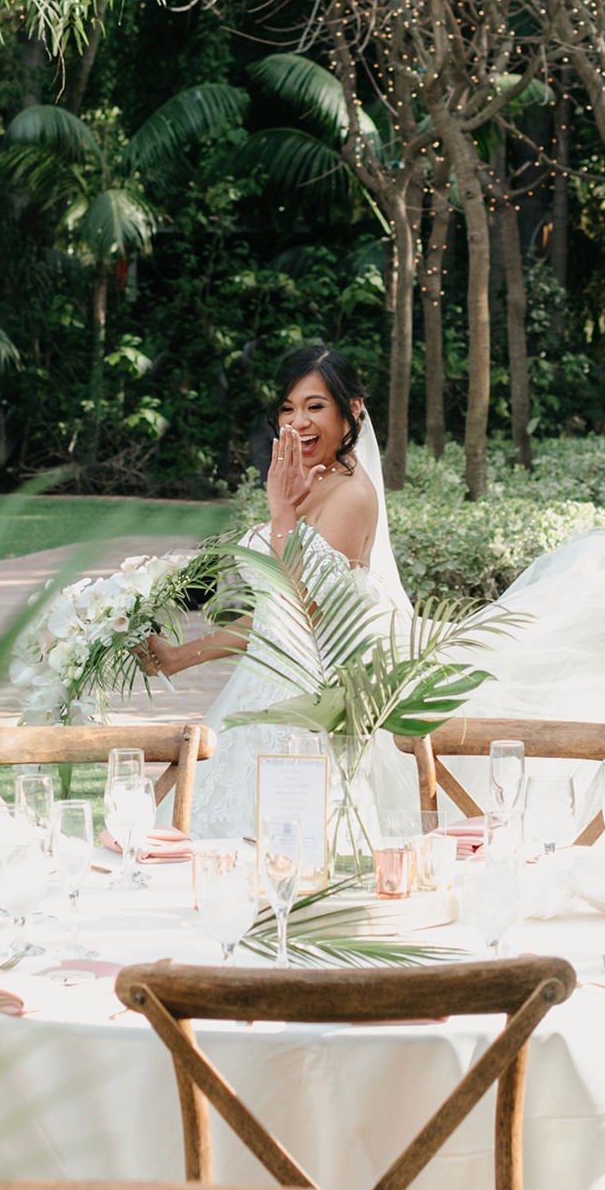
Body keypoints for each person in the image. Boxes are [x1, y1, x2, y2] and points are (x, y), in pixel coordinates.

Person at [143, 343, 414, 845]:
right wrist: (179, 657)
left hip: (305, 706)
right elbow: (272, 617)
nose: (298, 421)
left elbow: (300, 613)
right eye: (288, 408)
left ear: (352, 409)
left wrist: (282, 511)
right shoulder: (311, 477)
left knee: (284, 847)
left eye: (315, 406)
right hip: (262, 687)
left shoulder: (352, 495)